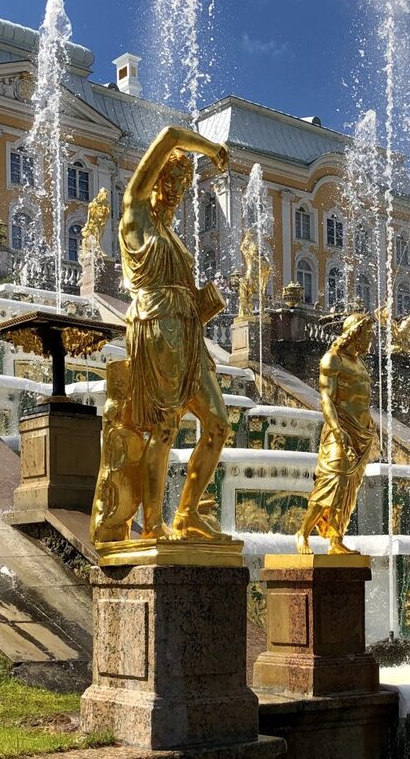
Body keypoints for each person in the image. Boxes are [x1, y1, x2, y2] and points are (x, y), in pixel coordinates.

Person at [89, 126, 230, 546]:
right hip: (154, 329)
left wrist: (204, 305)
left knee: (219, 424)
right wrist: (209, 150)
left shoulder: (173, 236)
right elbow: (169, 135)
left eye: (184, 185)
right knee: (165, 428)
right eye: (171, 180)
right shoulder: (134, 214)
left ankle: (187, 514)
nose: (177, 191)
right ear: (154, 182)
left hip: (189, 334)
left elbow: (182, 292)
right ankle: (153, 524)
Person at [295, 312, 378, 555]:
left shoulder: (360, 363)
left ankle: (336, 538)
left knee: (348, 490)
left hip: (362, 433)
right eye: (368, 334)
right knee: (331, 483)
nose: (370, 339)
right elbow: (326, 400)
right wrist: (337, 431)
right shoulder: (332, 359)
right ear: (355, 334)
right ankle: (303, 532)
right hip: (339, 430)